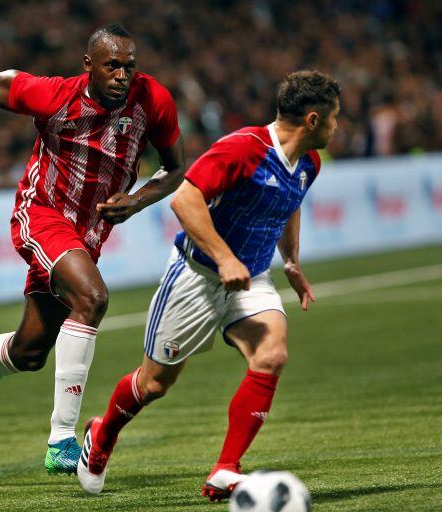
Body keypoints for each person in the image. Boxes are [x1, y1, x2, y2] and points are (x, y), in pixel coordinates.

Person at [0, 23, 185, 476]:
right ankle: (62, 437)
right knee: (93, 298)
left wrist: (137, 201)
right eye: (112, 65)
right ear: (89, 65)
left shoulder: (153, 100)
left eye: (129, 67)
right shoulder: (56, 96)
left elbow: (175, 170)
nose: (122, 75)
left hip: (87, 236)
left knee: (29, 353)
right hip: (41, 214)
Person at [76, 70, 340, 500]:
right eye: (334, 118)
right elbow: (184, 198)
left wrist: (290, 260)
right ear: (312, 119)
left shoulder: (309, 161)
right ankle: (102, 434)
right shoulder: (244, 149)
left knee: (272, 353)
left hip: (251, 277)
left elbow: (290, 201)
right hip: (197, 275)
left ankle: (225, 469)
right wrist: (223, 257)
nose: (336, 125)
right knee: (154, 384)